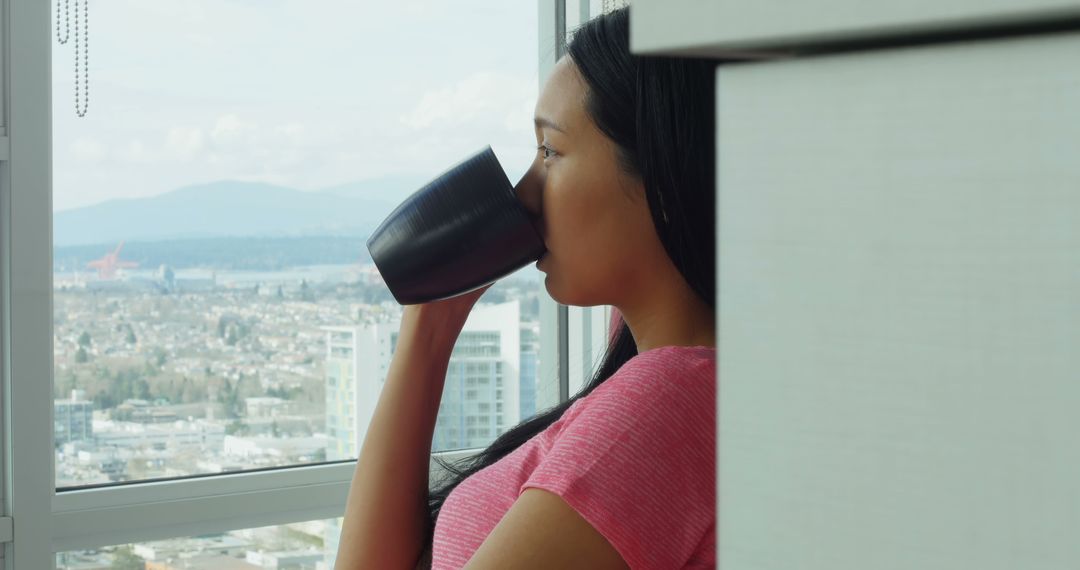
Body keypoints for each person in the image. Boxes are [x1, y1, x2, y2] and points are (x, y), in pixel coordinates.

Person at [334, 7, 716, 569]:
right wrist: (430, 326)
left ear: (663, 174)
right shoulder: (667, 382)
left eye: (550, 153)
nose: (523, 194)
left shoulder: (666, 400)